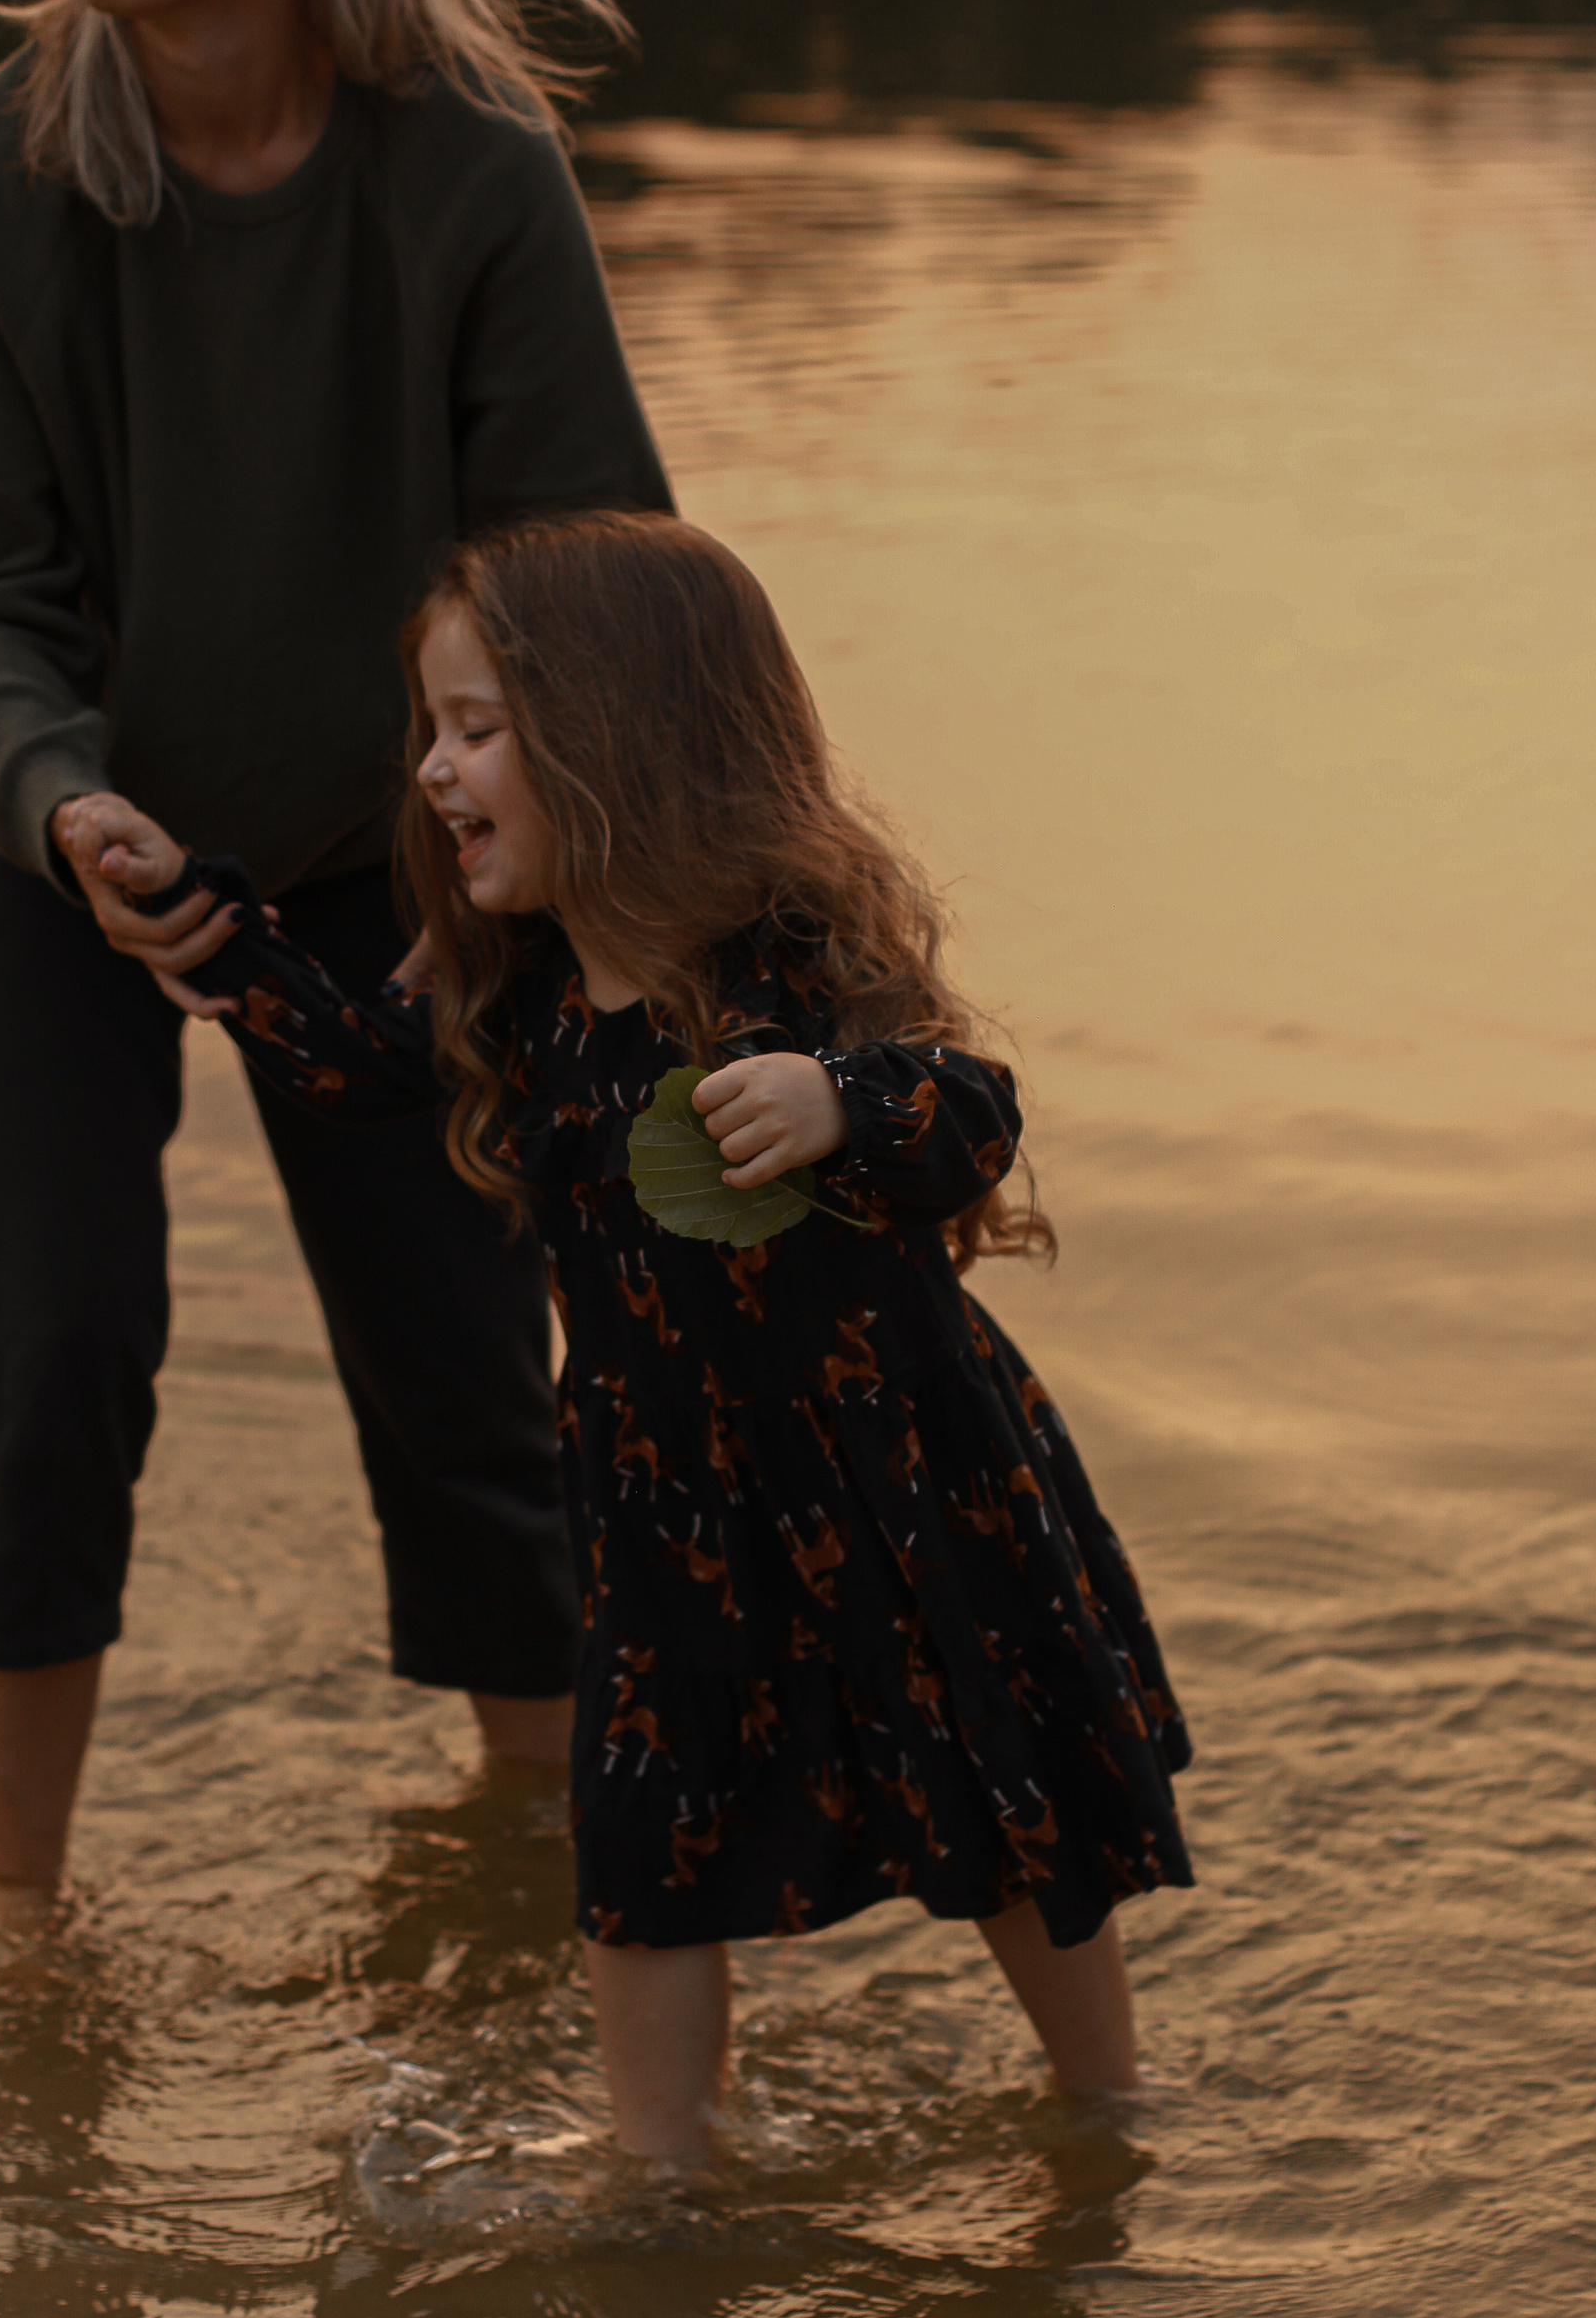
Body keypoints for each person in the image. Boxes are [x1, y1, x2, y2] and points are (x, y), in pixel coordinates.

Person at [0, 0, 672, 1887]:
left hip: (390, 845)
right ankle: (18, 1922)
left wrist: (493, 867)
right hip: (49, 831)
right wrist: (68, 811)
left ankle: (545, 1880)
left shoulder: (472, 171)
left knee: (469, 1384)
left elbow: (585, 582)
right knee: (51, 1349)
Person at [99, 511, 1194, 2164]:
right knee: (641, 1838)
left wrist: (839, 1102)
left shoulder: (777, 962)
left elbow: (967, 1111)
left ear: (618, 742)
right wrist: (199, 918)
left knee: (997, 1784)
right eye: (432, 730)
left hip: (890, 1468)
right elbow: (350, 1063)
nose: (433, 772)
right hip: (663, 1496)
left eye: (477, 731)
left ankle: (1107, 2110)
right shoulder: (527, 997)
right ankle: (660, 2164)